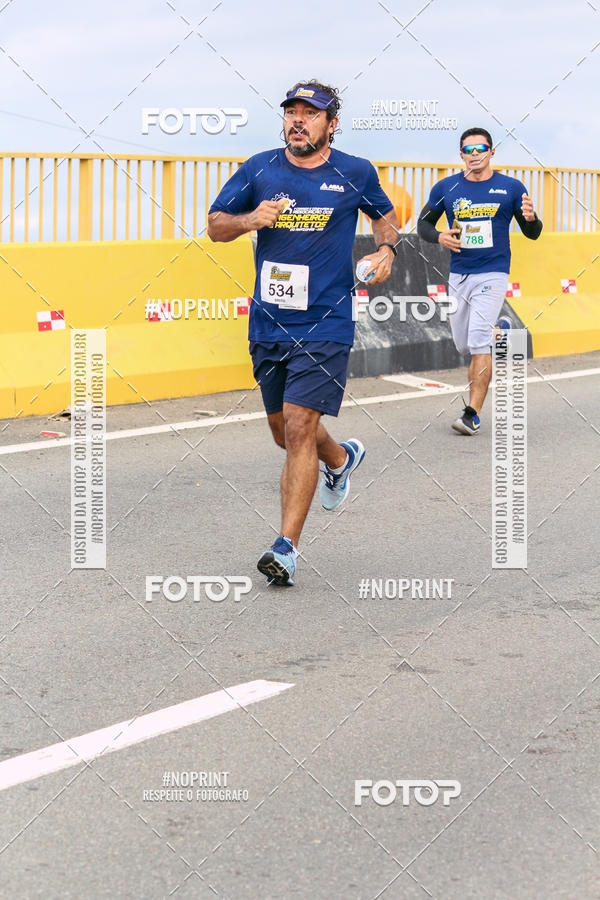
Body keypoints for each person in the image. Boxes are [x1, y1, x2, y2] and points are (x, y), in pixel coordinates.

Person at [207, 80, 399, 585]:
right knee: (284, 433)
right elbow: (215, 226)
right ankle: (340, 457)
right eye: (292, 111)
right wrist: (250, 219)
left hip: (326, 322)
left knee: (297, 426)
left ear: (331, 124)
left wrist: (386, 251)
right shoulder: (259, 167)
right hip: (268, 322)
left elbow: (386, 218)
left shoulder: (354, 171)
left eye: (310, 114)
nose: (298, 120)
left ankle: (286, 547)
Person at [417, 127, 542, 435]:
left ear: (491, 152)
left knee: (477, 343)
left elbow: (533, 233)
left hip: (494, 271)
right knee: (462, 344)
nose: (475, 154)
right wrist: (440, 236)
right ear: (461, 155)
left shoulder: (511, 188)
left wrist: (530, 218)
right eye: (468, 150)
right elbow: (423, 224)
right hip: (460, 273)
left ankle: (471, 413)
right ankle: (500, 330)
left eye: (480, 148)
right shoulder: (447, 188)